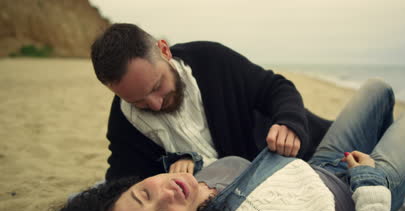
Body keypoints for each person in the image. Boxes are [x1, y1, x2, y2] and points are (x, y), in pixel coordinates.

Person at [1, 79, 405, 211]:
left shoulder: (195, 188)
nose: (167, 195)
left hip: (319, 165)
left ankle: (399, 157)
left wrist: (192, 169)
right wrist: (371, 186)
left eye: (144, 194)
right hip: (356, 184)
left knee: (380, 91)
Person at [90, 23, 333, 181]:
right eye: (138, 101)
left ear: (164, 51)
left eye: (157, 87)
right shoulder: (124, 121)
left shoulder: (211, 59)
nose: (154, 104)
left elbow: (276, 88)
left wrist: (289, 122)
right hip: (287, 186)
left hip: (321, 147)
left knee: (373, 93)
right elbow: (124, 183)